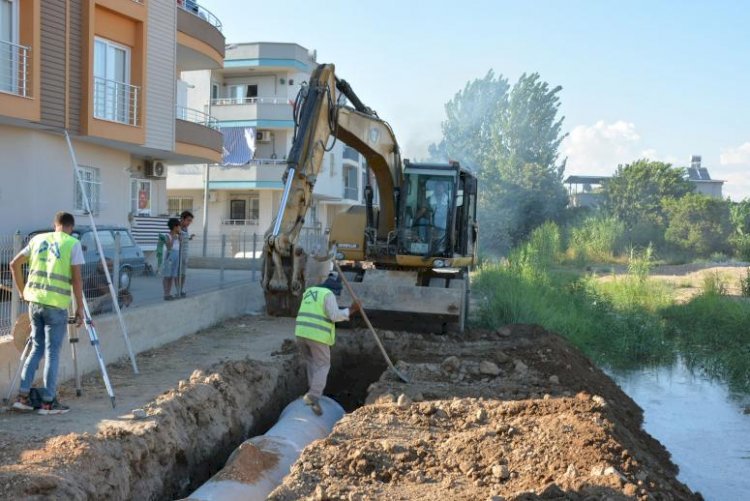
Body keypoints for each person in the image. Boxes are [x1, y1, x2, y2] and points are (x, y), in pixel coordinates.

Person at [9, 211, 84, 415]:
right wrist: (80, 307)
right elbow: (77, 280)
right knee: (52, 352)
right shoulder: (72, 244)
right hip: (55, 305)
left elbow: (13, 264)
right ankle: (48, 402)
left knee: (36, 348)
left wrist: (22, 291)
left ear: (55, 224)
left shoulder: (37, 239)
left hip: (35, 303)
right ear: (71, 227)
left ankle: (23, 398)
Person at [295, 272, 360, 416]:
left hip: (301, 332)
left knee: (311, 362)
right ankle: (314, 396)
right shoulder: (327, 294)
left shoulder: (310, 291)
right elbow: (334, 315)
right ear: (334, 288)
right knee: (323, 364)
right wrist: (352, 310)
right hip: (316, 334)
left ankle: (311, 392)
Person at [162, 218, 181, 300]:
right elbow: (169, 247)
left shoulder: (179, 236)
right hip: (169, 257)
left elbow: (180, 246)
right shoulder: (167, 236)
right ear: (174, 227)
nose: (179, 228)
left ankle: (169, 293)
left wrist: (180, 238)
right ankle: (166, 294)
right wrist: (173, 238)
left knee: (172, 276)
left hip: (176, 256)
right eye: (178, 226)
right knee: (167, 276)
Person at [177, 210, 194, 297]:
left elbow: (184, 239)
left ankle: (181, 289)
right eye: (188, 220)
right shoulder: (177, 228)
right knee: (177, 273)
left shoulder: (185, 228)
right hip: (178, 254)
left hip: (185, 254)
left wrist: (189, 238)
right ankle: (177, 291)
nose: (189, 222)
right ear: (182, 219)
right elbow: (177, 241)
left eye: (190, 221)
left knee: (183, 273)